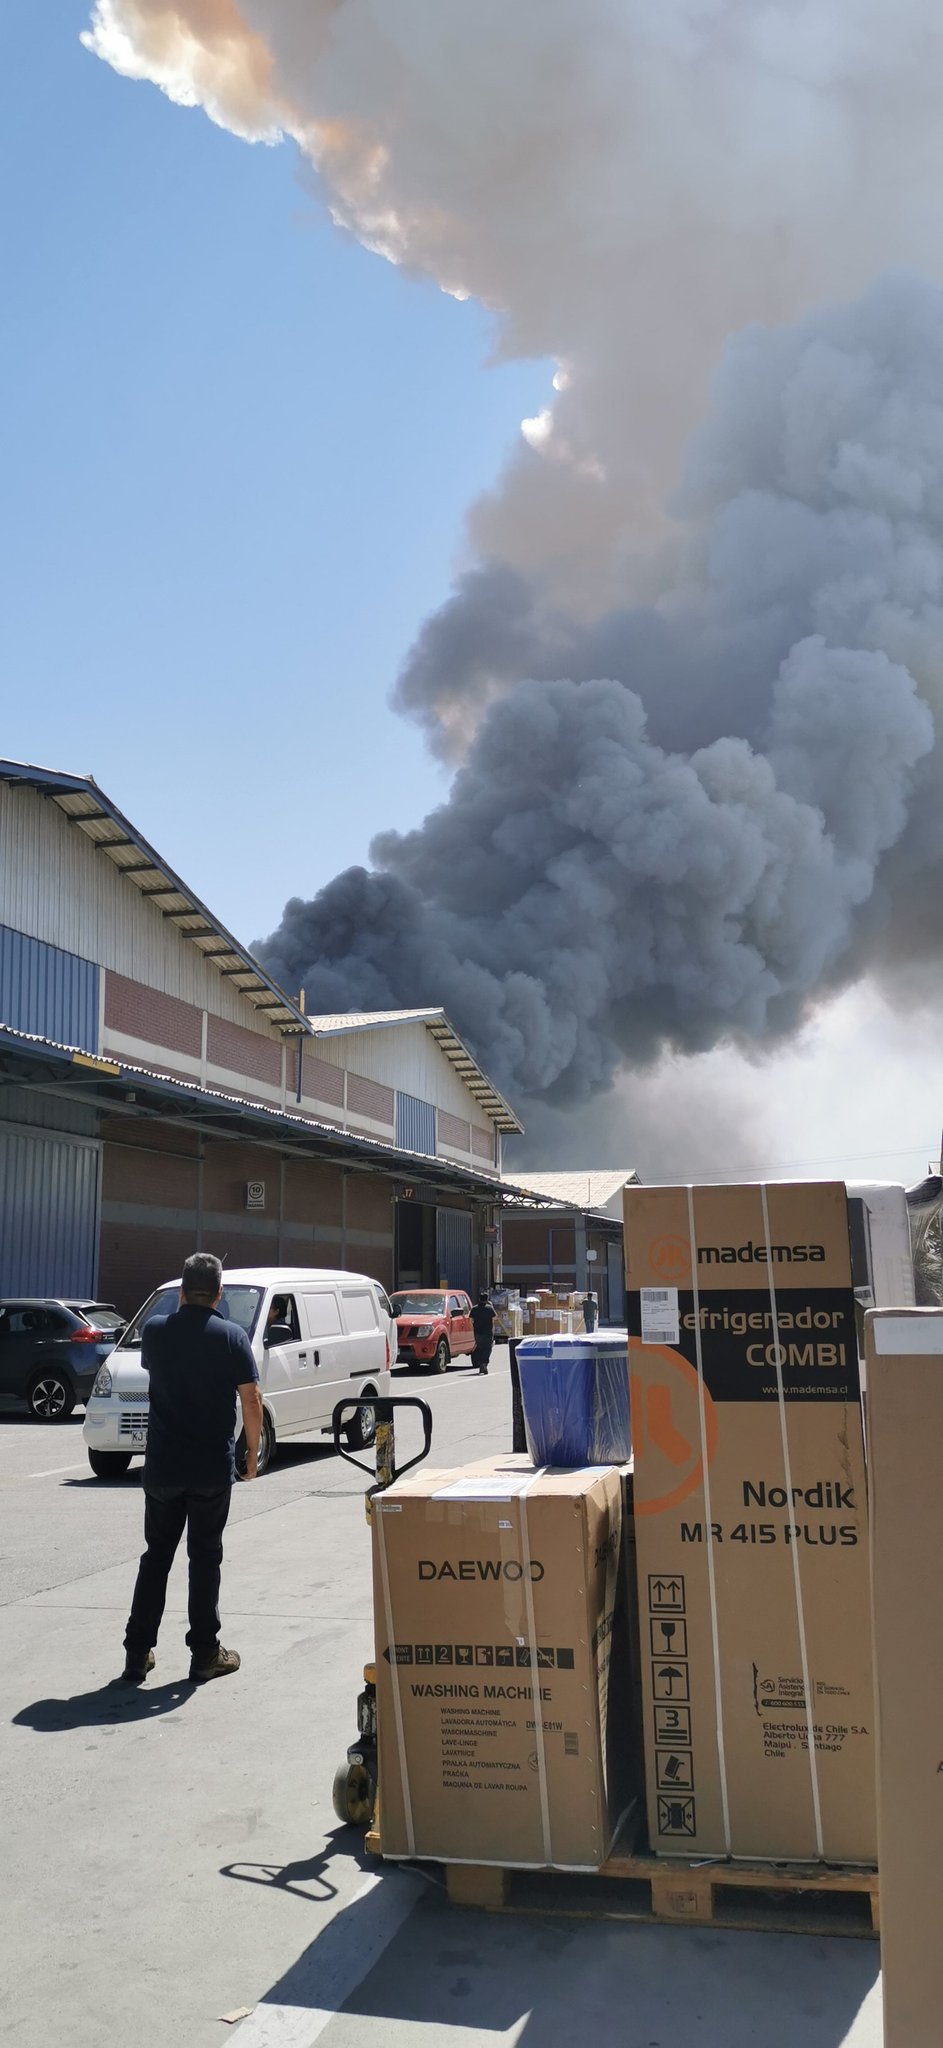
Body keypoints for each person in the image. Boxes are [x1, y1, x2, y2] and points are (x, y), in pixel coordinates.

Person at [121, 1251, 263, 1685]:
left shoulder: (156, 1331)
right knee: (204, 1559)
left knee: (156, 1558)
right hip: (209, 1470)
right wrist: (252, 1454)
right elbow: (251, 1399)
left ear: (182, 1290)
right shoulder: (231, 1336)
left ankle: (137, 1654)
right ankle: (204, 1654)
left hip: (163, 1467)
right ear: (219, 1294)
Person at [471, 1289, 496, 1375]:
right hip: (487, 1332)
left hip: (477, 1332)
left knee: (480, 1348)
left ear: (479, 1299)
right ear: (487, 1299)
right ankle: (484, 1363)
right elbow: (494, 1319)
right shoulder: (489, 1308)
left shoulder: (474, 1308)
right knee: (487, 1348)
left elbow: (471, 1320)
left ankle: (481, 1363)